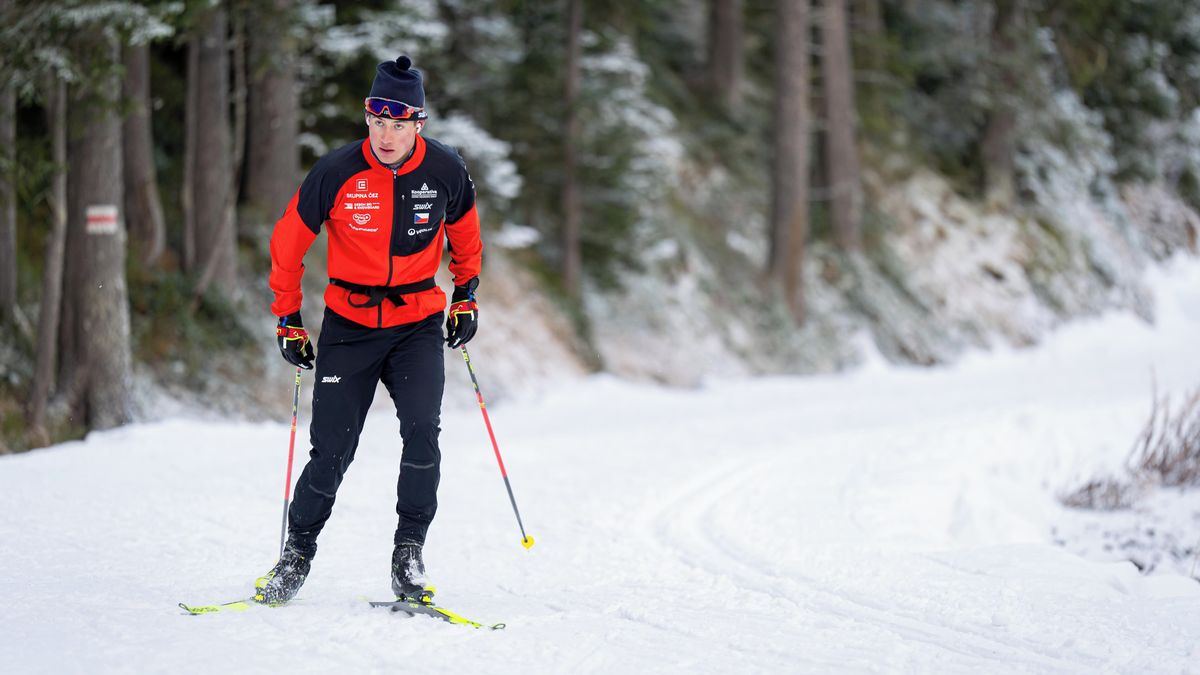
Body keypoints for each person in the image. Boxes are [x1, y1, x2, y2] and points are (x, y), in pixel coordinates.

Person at [255, 55, 483, 605]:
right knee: (332, 448)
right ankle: (295, 556)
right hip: (350, 326)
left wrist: (465, 296)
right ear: (367, 117)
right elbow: (288, 244)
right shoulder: (336, 171)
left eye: (398, 124)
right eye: (377, 121)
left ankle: (409, 556)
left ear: (418, 123)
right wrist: (288, 318)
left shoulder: (445, 169)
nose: (386, 135)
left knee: (422, 433)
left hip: (417, 324)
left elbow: (466, 235)